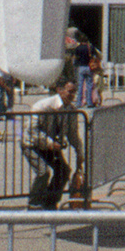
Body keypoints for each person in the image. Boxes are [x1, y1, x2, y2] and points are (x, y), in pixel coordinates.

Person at [24, 77, 79, 211]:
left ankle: (50, 200)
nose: (72, 95)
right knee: (43, 172)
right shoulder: (43, 106)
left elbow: (73, 134)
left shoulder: (71, 109)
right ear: (59, 90)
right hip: (32, 144)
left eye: (74, 92)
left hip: (51, 145)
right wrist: (49, 142)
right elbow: (32, 129)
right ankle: (34, 202)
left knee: (64, 171)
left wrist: (80, 152)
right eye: (70, 91)